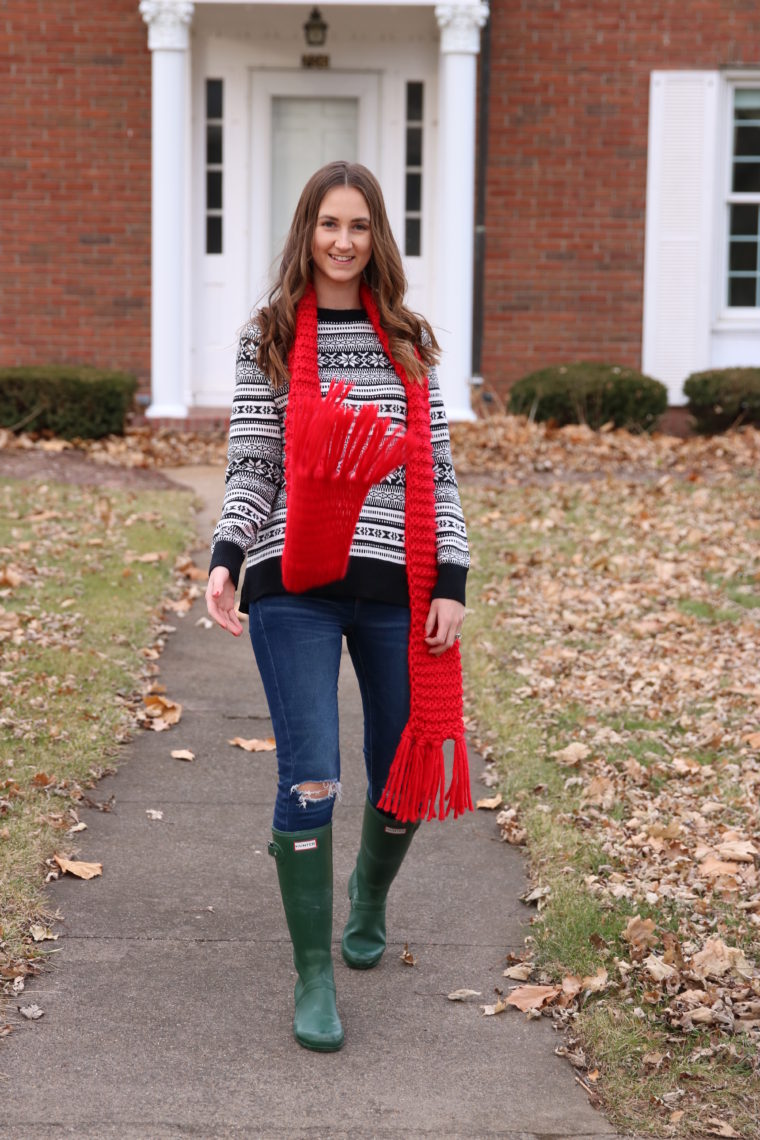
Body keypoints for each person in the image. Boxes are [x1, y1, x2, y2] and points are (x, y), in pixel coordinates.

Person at [205, 160, 470, 1053]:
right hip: (293, 583)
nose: (344, 241)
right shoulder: (268, 338)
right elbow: (253, 463)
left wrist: (453, 581)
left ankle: (369, 893)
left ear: (377, 234)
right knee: (311, 772)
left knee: (401, 766)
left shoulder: (410, 342)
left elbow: (436, 471)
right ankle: (313, 974)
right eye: (329, 224)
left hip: (396, 585)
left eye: (359, 225)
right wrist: (226, 554)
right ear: (306, 231)